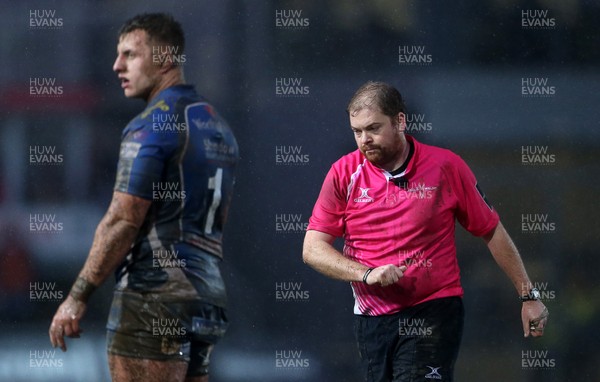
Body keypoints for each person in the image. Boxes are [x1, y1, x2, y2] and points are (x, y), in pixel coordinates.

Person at [302, 81, 548, 382]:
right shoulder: (343, 174)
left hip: (433, 309)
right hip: (371, 320)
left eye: (373, 128)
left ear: (400, 121)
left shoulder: (446, 167)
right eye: (357, 131)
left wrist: (529, 296)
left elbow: (492, 231)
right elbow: (312, 249)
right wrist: (366, 273)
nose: (365, 139)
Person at [49, 13, 239, 382]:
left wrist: (77, 296)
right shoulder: (217, 125)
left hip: (155, 294)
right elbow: (217, 222)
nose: (116, 65)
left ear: (165, 59)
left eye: (130, 55)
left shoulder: (152, 123)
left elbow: (123, 219)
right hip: (207, 296)